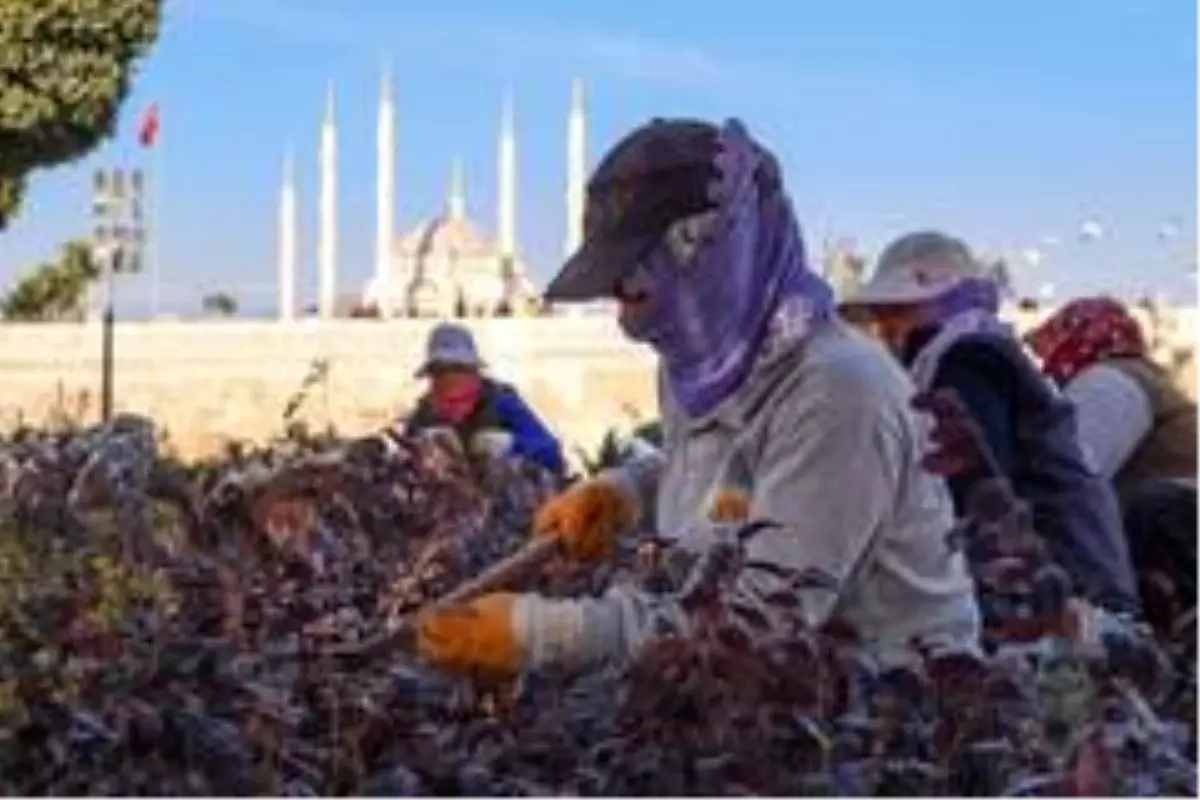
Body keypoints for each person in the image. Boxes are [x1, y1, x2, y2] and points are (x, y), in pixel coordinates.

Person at [415, 118, 981, 678]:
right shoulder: (703, 365)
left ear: (711, 253)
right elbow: (738, 474)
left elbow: (758, 626)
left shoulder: (840, 393)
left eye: (637, 284)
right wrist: (628, 491)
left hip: (885, 723)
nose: (625, 313)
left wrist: (542, 634)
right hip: (762, 706)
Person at [841, 232, 1139, 616]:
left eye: (898, 309)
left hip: (1064, 596)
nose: (885, 327)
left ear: (933, 304)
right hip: (1085, 579)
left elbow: (974, 493)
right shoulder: (984, 350)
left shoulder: (968, 359)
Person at [1026, 297, 1200, 623]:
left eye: (1048, 345)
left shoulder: (1110, 380)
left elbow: (1069, 472)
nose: (1042, 361)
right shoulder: (1146, 377)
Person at [404, 322, 565, 477]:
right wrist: (419, 452)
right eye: (440, 371)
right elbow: (400, 463)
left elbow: (552, 453)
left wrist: (511, 444)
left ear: (475, 375)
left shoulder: (503, 402)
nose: (450, 377)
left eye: (459, 368)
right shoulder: (423, 415)